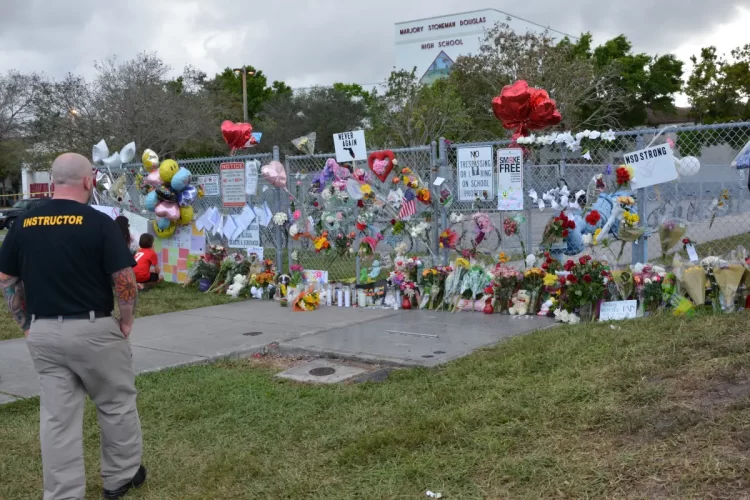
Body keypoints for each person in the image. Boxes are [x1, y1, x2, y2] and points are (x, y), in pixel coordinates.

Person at [0, 153, 146, 500]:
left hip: (44, 331)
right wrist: (126, 320)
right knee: (115, 403)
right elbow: (124, 277)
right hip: (94, 329)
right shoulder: (99, 223)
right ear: (87, 181)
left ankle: (64, 493)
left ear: (52, 182)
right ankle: (119, 478)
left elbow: (7, 280)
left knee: (57, 419)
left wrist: (24, 324)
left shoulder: (24, 223)